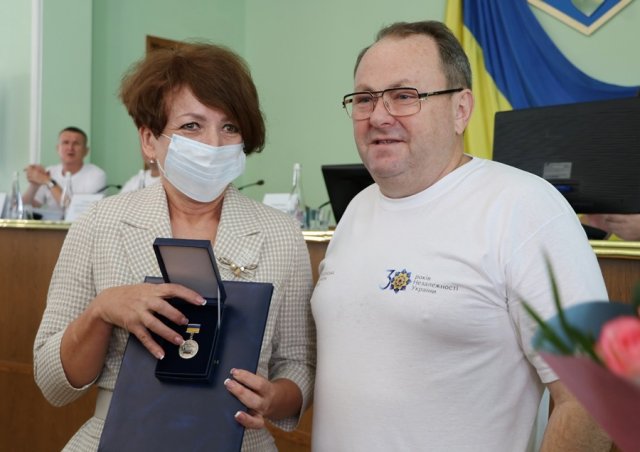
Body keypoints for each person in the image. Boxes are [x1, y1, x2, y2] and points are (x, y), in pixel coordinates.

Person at [311, 21, 611, 451]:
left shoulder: (523, 207)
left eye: (404, 96)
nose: (378, 116)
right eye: (364, 99)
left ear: (461, 109)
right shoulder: (358, 208)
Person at [33, 43, 315, 451]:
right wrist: (102, 310)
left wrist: (274, 397)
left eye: (230, 127)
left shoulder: (279, 233)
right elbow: (52, 381)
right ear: (149, 140)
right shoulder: (100, 223)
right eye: (192, 126)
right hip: (118, 437)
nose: (214, 143)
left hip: (238, 440)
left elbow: (298, 364)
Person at [22, 127, 107, 208]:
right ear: (57, 148)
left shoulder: (96, 175)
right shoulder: (50, 171)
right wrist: (35, 184)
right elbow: (26, 206)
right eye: (66, 142)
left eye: (76, 143)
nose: (70, 148)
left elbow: (77, 210)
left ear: (86, 151)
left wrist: (49, 182)